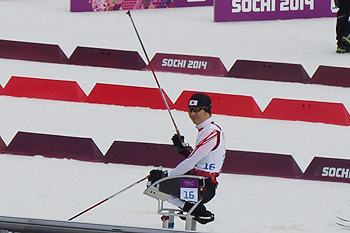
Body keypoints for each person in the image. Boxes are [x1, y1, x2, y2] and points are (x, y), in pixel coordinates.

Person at [148, 93, 226, 224]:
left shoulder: (211, 132)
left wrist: (167, 175)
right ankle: (192, 209)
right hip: (198, 181)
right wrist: (183, 150)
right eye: (190, 110)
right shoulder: (207, 130)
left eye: (196, 110)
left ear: (206, 109)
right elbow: (201, 159)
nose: (192, 114)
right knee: (156, 181)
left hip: (201, 186)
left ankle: (193, 209)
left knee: (154, 184)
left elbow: (191, 162)